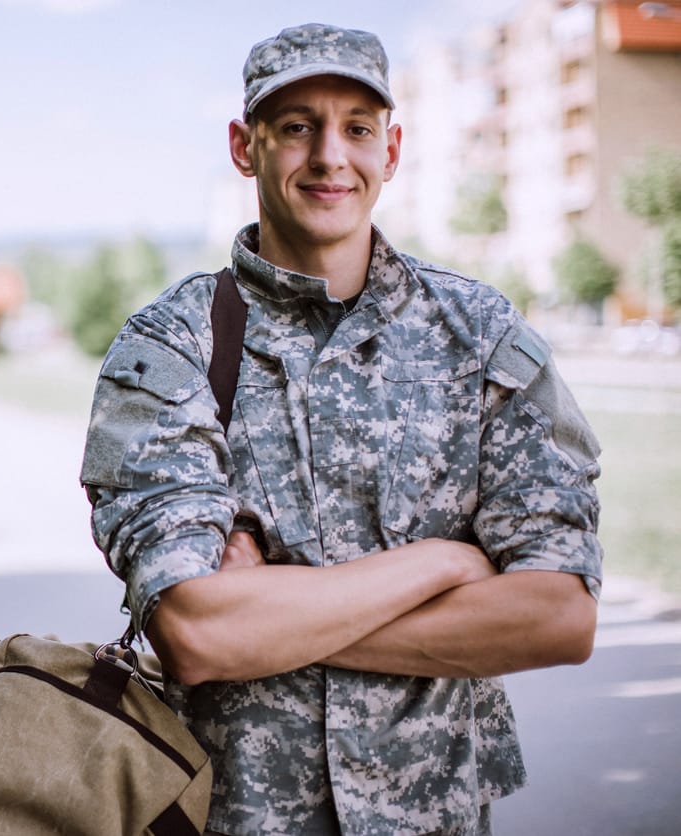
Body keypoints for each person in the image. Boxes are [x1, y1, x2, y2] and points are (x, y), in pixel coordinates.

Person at [79, 22, 602, 836]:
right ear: (244, 147)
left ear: (391, 150)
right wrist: (443, 561)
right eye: (296, 126)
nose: (330, 156)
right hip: (231, 819)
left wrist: (273, 617)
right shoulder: (171, 346)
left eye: (357, 128)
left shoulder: (479, 339)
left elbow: (559, 616)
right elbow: (196, 632)